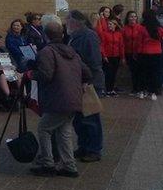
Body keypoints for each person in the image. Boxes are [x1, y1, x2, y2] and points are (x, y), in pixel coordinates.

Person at [30, 22, 91, 178]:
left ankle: (47, 163)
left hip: (57, 98)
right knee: (64, 131)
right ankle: (69, 165)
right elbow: (87, 72)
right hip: (74, 98)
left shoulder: (46, 52)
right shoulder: (72, 52)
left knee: (44, 129)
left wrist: (31, 74)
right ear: (62, 35)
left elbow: (46, 75)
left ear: (45, 35)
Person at [66, 10, 106, 163]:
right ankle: (83, 146)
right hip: (78, 81)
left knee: (90, 117)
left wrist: (88, 80)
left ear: (74, 21)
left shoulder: (88, 35)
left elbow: (94, 61)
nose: (65, 23)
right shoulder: (75, 36)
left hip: (88, 82)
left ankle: (94, 149)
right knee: (79, 118)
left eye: (67, 20)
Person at [135, 11, 163, 101]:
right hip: (157, 53)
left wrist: (137, 53)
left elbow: (139, 42)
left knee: (143, 73)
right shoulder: (158, 29)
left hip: (144, 53)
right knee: (155, 73)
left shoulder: (142, 29)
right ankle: (153, 92)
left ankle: (142, 91)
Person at [101, 18, 124, 96]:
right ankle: (108, 89)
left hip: (116, 56)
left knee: (114, 73)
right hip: (108, 56)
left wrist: (122, 57)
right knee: (108, 73)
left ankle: (112, 89)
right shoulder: (104, 34)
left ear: (115, 25)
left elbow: (121, 46)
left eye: (111, 24)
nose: (109, 26)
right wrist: (104, 55)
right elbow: (102, 45)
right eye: (108, 24)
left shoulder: (119, 34)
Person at [122, 11, 142, 96]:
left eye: (134, 16)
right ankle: (135, 88)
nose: (133, 18)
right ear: (127, 18)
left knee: (139, 71)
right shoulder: (124, 29)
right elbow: (122, 43)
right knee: (133, 71)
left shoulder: (140, 28)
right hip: (129, 52)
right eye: (131, 16)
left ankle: (140, 88)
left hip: (139, 53)